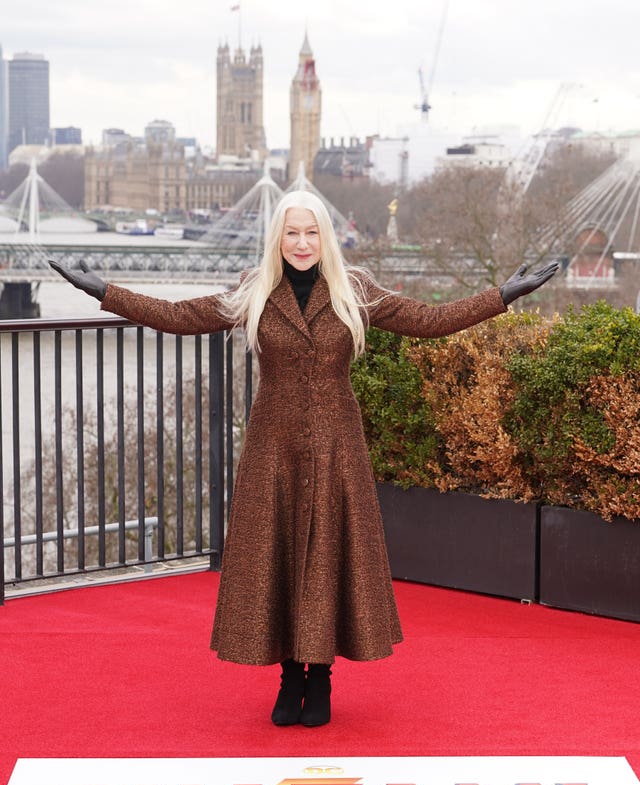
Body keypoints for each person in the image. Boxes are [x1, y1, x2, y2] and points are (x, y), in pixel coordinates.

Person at [49, 190, 559, 729]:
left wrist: (501, 296)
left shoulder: (353, 289)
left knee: (327, 558)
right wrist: (104, 291)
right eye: (292, 232)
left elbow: (428, 320)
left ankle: (321, 678)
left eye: (311, 232)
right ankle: (290, 676)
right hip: (274, 447)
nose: (301, 242)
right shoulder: (255, 291)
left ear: (325, 237)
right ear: (278, 237)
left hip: (339, 446)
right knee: (282, 556)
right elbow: (180, 316)